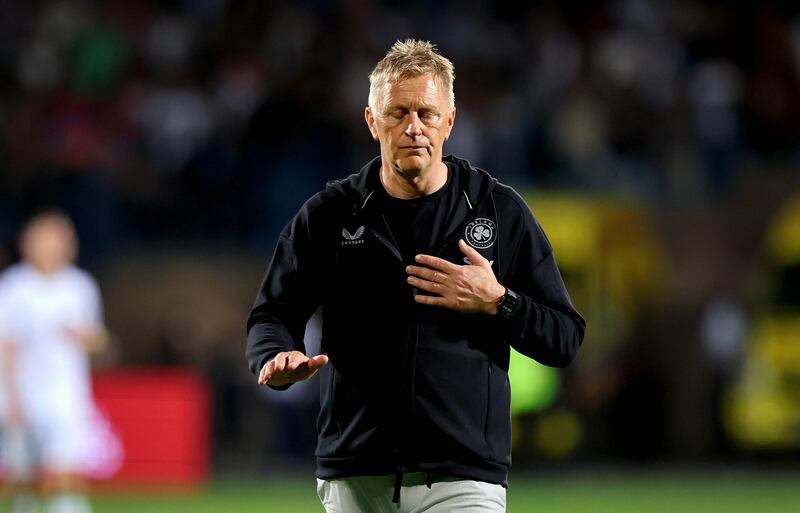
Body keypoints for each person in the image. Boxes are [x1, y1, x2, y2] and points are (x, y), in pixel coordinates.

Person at [246, 39, 585, 513]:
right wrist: (274, 356)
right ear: (371, 121)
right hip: (354, 476)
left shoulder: (498, 211)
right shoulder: (328, 216)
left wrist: (499, 301)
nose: (413, 128)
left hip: (463, 478)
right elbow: (272, 313)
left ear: (449, 122)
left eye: (426, 114)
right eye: (397, 113)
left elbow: (565, 337)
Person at [0, 211, 107, 513]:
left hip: (65, 394)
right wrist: (10, 398)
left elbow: (98, 342)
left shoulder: (80, 286)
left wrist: (88, 338)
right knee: (24, 479)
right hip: (22, 394)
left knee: (65, 471)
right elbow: (5, 345)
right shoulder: (12, 287)